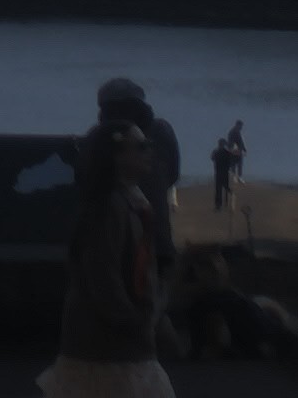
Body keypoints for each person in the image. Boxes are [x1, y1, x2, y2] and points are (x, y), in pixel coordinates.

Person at [37, 121, 176, 397]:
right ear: (116, 156)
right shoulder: (109, 206)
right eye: (141, 146)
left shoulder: (130, 200)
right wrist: (136, 322)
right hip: (107, 350)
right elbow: (103, 277)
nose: (150, 151)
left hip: (117, 347)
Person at [94, 78, 179, 283]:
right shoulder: (161, 131)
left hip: (121, 246)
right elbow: (173, 174)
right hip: (156, 239)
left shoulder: (99, 139)